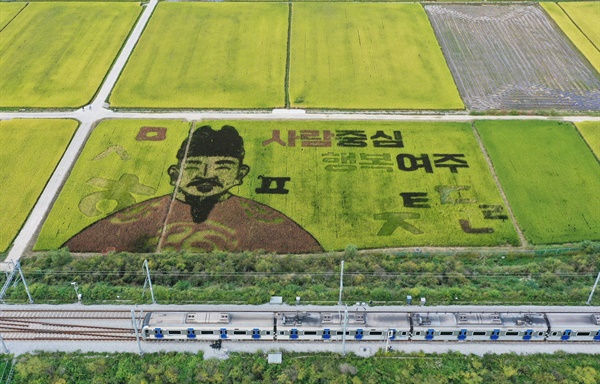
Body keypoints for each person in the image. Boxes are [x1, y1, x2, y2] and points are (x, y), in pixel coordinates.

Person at [63, 125, 322, 254]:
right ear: (175, 174)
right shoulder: (136, 217)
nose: (207, 175)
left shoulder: (267, 221)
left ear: (240, 175)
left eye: (222, 167)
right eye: (194, 166)